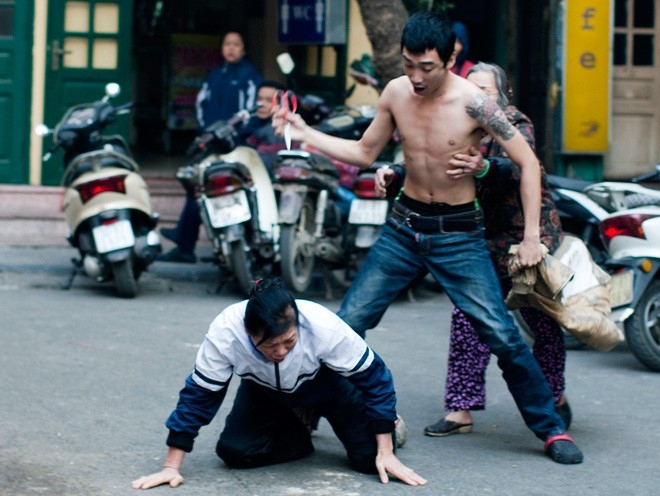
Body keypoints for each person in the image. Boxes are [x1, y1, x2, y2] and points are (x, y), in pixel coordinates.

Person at [274, 11, 582, 464]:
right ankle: (304, 415)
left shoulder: (476, 103)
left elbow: (528, 163)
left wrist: (532, 236)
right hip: (403, 229)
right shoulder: (397, 92)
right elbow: (363, 152)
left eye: (427, 67)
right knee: (346, 324)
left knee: (502, 335)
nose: (416, 76)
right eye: (408, 64)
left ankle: (550, 430)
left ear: (451, 58)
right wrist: (306, 134)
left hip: (458, 234)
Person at [131, 277, 427, 490]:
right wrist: (171, 466)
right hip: (265, 391)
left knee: (369, 460)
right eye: (270, 346)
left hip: (329, 385)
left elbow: (376, 379)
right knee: (236, 452)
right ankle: (299, 427)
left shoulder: (322, 325)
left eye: (289, 342)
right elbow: (199, 395)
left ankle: (388, 422)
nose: (281, 352)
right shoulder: (226, 331)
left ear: (298, 322)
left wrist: (385, 450)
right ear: (249, 334)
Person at [421, 62, 572, 438]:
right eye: (470, 90)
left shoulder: (515, 121)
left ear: (503, 96)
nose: (476, 99)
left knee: (542, 319)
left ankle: (554, 396)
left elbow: (520, 167)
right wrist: (391, 174)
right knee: (467, 316)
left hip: (527, 238)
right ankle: (460, 410)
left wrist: (484, 166)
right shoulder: (454, 122)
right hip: (479, 239)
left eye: (485, 91)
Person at [159, 80, 287, 263]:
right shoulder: (250, 123)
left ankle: (184, 241)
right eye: (259, 99)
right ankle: (185, 239)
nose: (262, 104)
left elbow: (267, 161)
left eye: (269, 100)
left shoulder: (278, 128)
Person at [195, 30, 263, 128]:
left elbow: (254, 107)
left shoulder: (251, 75)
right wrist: (204, 128)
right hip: (211, 135)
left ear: (244, 49)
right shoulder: (213, 75)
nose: (231, 48)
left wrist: (242, 131)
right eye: (227, 44)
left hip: (239, 136)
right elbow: (201, 102)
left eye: (236, 44)